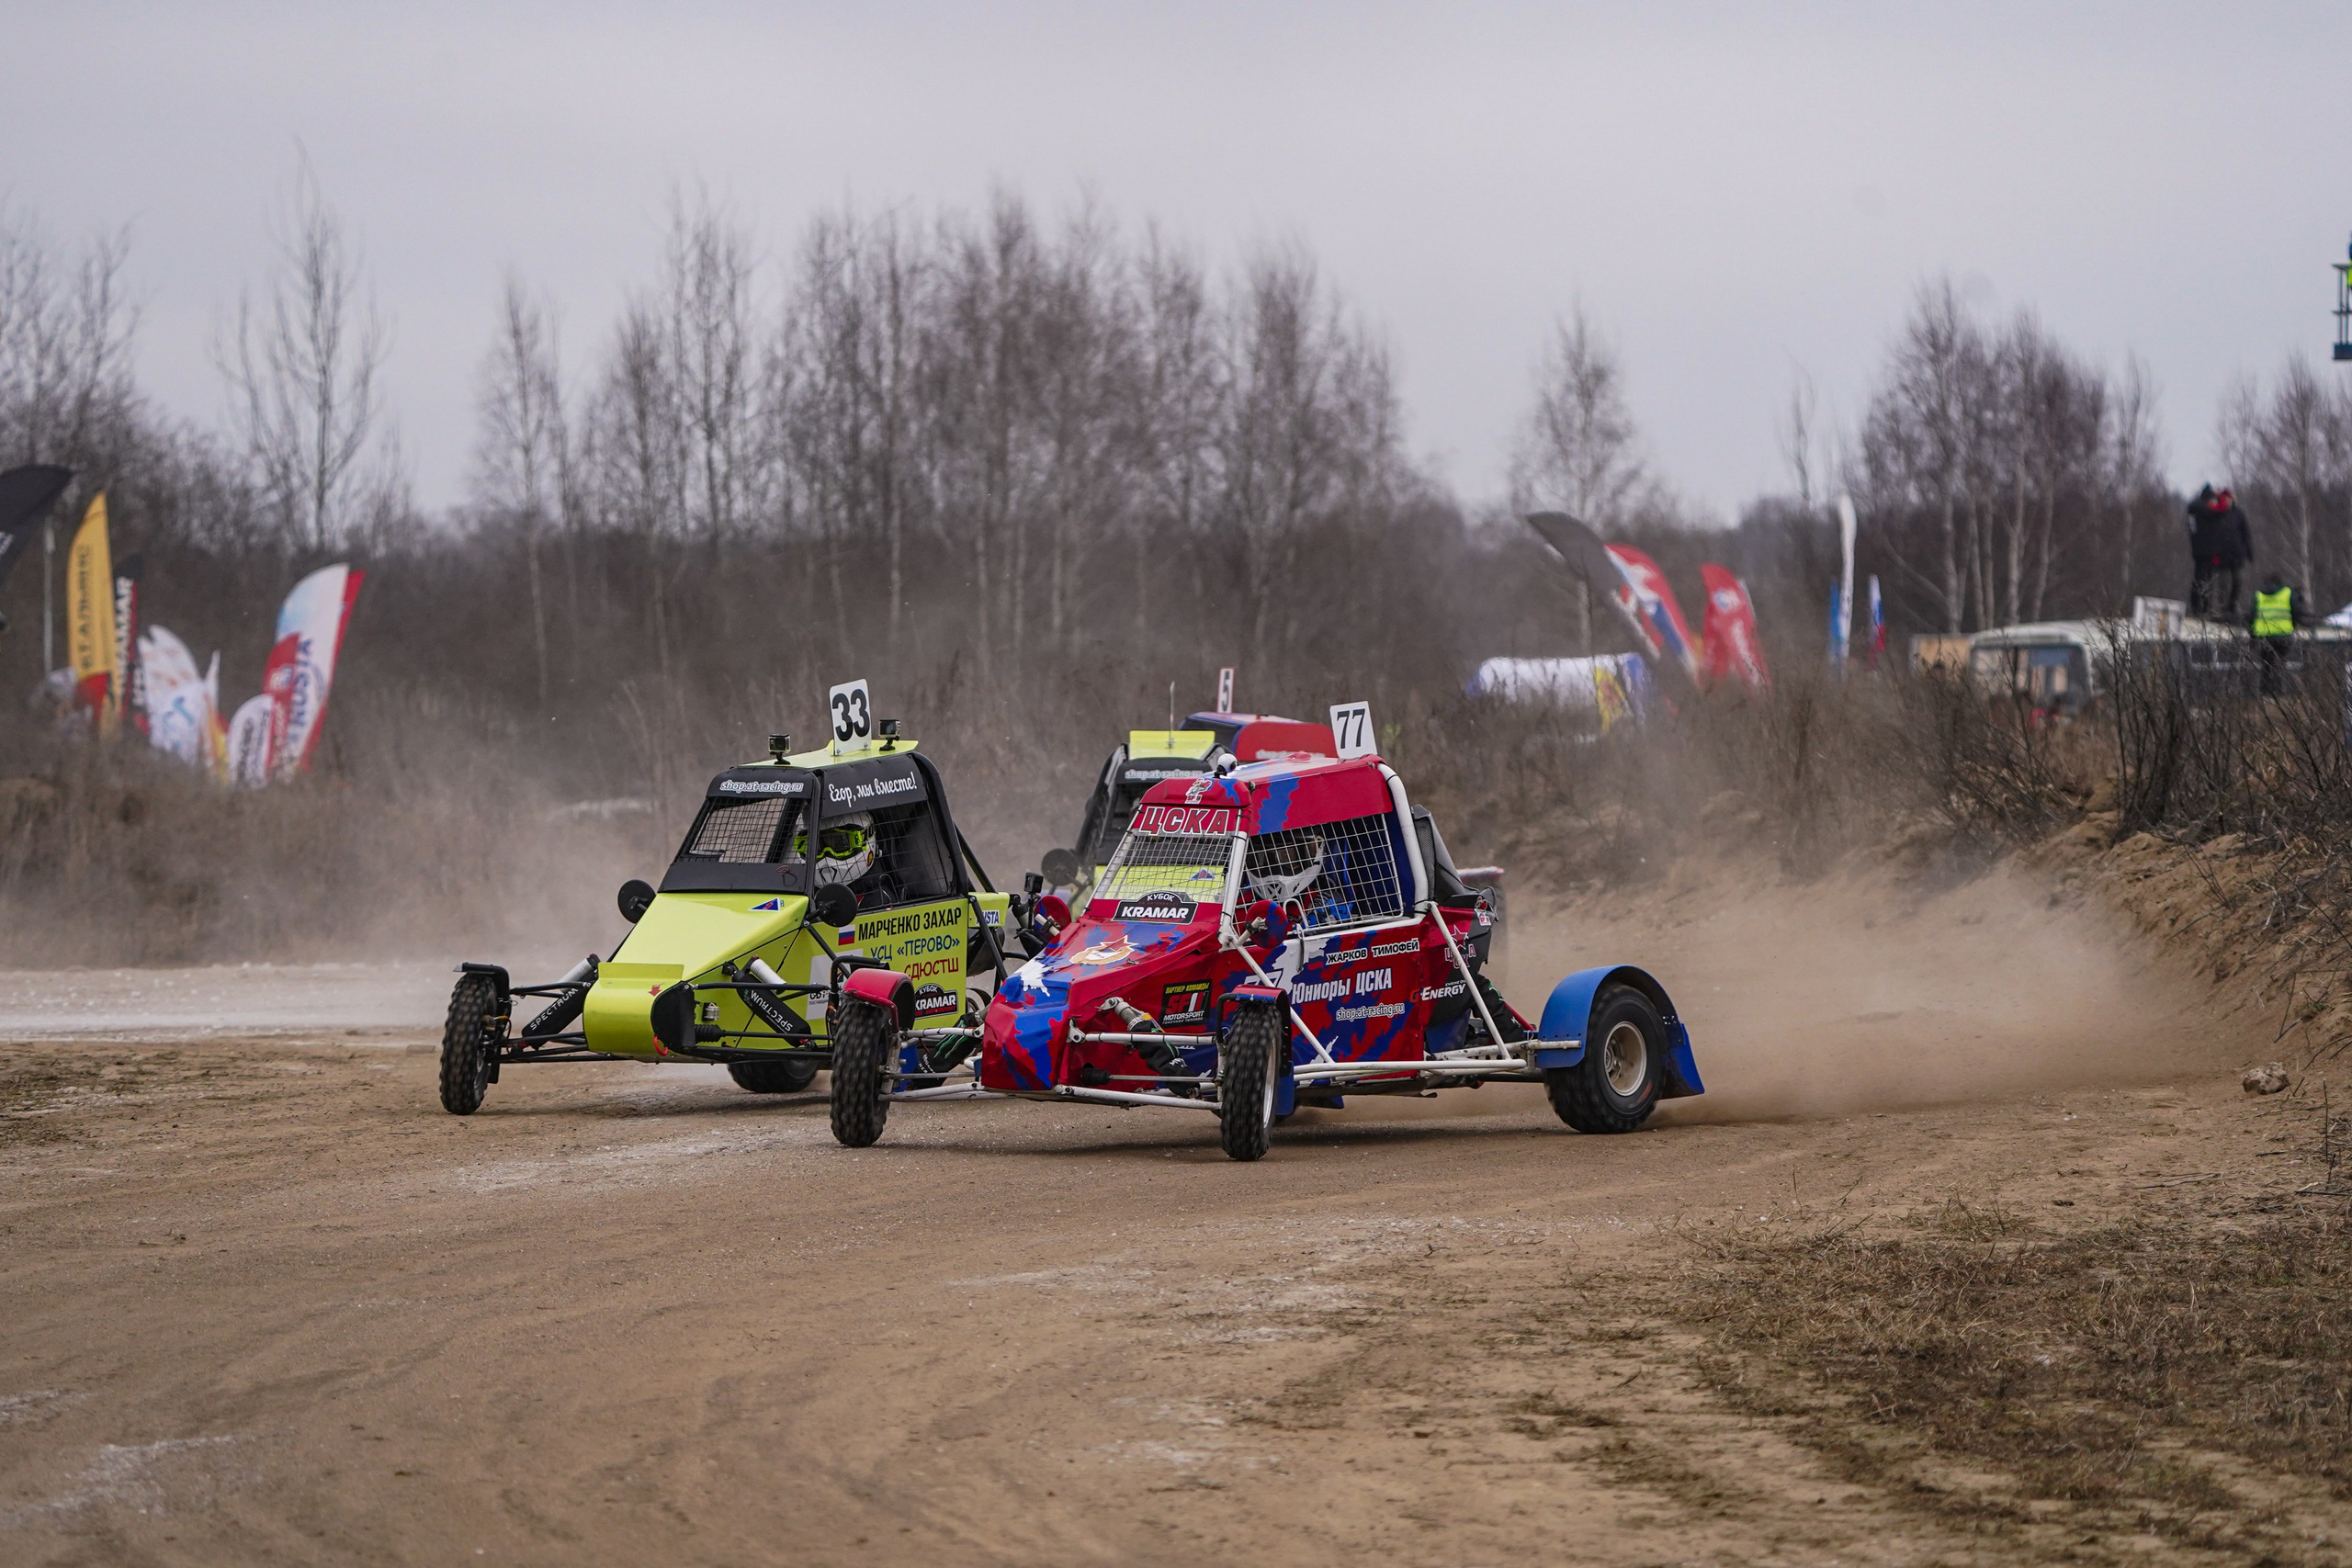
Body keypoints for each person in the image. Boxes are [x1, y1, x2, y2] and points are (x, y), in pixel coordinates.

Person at [2187, 484, 2255, 620]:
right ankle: (2216, 609)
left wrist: (2248, 551)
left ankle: (2226, 607)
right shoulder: (2212, 513)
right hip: (2218, 554)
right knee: (2217, 582)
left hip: (2233, 554)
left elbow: (2245, 533)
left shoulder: (2237, 514)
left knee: (2236, 581)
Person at [2247, 570, 2311, 696]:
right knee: (2279, 664)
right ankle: (2278, 692)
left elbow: (2251, 617)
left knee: (2266, 665)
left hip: (2263, 637)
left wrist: (2253, 635)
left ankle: (2265, 693)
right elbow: (2297, 613)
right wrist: (2293, 625)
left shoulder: (2259, 595)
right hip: (2283, 635)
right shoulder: (2287, 593)